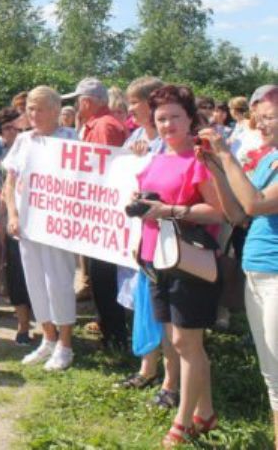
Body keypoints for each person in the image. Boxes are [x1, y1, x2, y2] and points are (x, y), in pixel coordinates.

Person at [131, 84, 225, 446]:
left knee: (187, 341)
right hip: (157, 257)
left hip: (190, 260)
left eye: (174, 117)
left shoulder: (199, 160)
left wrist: (168, 210)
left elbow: (216, 212)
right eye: (161, 118)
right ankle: (206, 412)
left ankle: (183, 422)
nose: (167, 124)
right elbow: (148, 201)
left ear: (190, 119)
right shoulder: (156, 157)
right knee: (178, 341)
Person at [199, 87, 278, 448]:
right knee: (271, 377)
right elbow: (237, 214)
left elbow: (256, 202)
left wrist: (225, 153)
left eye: (271, 117)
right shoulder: (269, 160)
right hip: (257, 274)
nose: (263, 124)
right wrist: (215, 168)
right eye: (259, 117)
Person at [114, 77, 182, 410]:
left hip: (168, 241)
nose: (130, 109)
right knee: (146, 304)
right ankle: (148, 367)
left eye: (135, 103)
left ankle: (172, 380)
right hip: (141, 237)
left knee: (166, 312)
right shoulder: (135, 139)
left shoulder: (172, 145)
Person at [3, 86, 78, 370]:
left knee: (58, 282)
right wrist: (12, 214)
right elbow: (11, 180)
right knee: (34, 281)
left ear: (56, 110)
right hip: (27, 224)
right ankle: (47, 337)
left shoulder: (72, 139)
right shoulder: (23, 140)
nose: (34, 114)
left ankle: (66, 344)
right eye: (30, 109)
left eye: (41, 108)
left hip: (58, 225)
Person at [64, 77, 129, 352]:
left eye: (79, 100)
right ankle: (108, 327)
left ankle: (114, 336)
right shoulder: (100, 124)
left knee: (104, 277)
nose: (77, 105)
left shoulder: (104, 127)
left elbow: (104, 170)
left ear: (88, 102)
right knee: (100, 275)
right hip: (97, 211)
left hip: (103, 213)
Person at [0, 108, 32, 345]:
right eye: (8, 127)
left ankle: (24, 323)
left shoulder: (30, 147)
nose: (13, 132)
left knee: (20, 272)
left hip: (22, 219)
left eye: (17, 127)